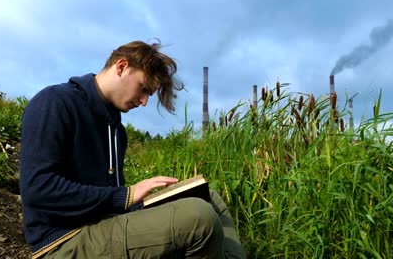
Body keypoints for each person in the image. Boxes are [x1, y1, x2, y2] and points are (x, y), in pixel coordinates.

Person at [19, 40, 247, 259]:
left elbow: (109, 202)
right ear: (121, 67)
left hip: (104, 225)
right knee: (198, 217)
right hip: (64, 242)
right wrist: (126, 195)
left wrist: (146, 202)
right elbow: (39, 189)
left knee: (210, 199)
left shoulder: (117, 131)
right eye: (143, 89)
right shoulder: (56, 102)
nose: (144, 101)